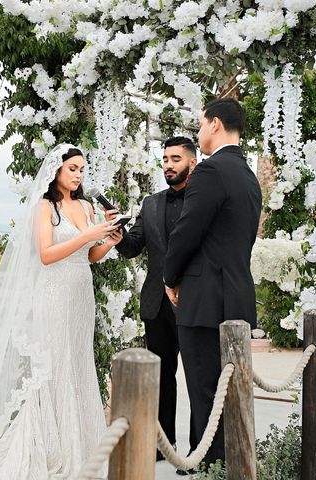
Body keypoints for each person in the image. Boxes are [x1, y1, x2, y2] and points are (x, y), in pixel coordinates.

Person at [0, 144, 120, 480]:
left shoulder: (87, 206)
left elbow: (89, 256)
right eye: (72, 168)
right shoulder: (45, 207)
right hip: (53, 294)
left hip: (80, 294)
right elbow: (45, 254)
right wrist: (88, 233)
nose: (77, 175)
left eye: (82, 170)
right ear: (56, 169)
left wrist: (109, 240)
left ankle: (83, 446)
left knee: (76, 362)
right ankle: (51, 448)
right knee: (55, 366)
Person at [163, 98, 262, 467]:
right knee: (231, 397)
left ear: (215, 124)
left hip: (204, 301)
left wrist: (169, 277)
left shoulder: (210, 171)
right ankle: (231, 468)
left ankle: (211, 472)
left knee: (206, 397)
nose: (199, 133)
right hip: (236, 298)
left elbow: (187, 232)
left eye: (201, 125)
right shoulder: (248, 176)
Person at [111, 136, 198, 463]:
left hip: (193, 302)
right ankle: (163, 447)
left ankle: (196, 451)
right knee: (160, 377)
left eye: (175, 158)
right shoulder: (150, 204)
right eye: (164, 159)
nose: (168, 165)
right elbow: (134, 246)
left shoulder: (203, 201)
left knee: (196, 378)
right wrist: (119, 238)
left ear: (192, 162)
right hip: (156, 305)